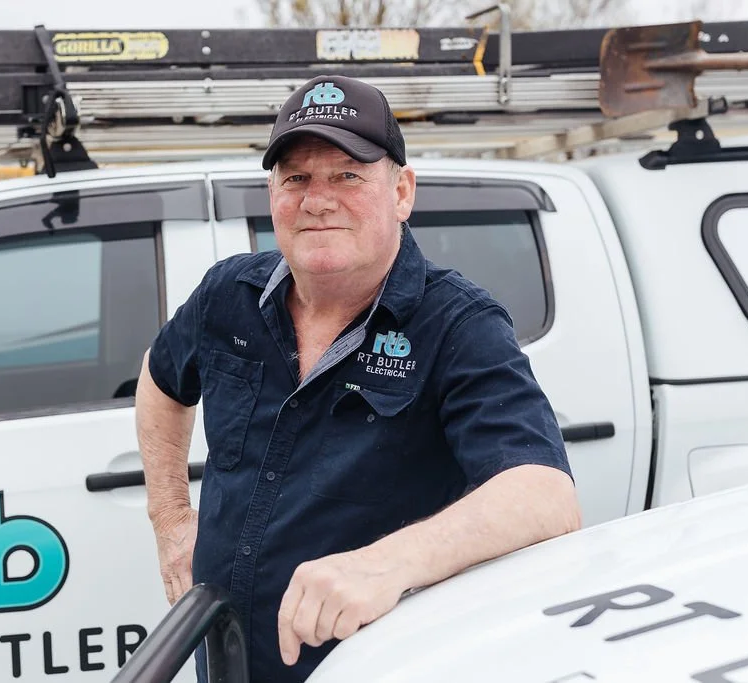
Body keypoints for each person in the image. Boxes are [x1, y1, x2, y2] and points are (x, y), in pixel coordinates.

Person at [135, 74, 581, 683]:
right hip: (230, 658)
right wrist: (170, 520)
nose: (318, 200)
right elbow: (161, 381)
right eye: (296, 178)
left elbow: (545, 496)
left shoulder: (457, 324)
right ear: (272, 193)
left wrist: (385, 564)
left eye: (348, 175)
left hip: (377, 667)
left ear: (402, 192)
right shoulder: (227, 294)